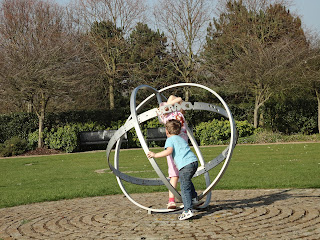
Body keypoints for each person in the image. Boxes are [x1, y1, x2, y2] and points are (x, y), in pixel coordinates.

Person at [147, 119, 199, 220]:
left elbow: (169, 151)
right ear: (179, 131)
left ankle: (187, 210)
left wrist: (155, 155)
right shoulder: (180, 138)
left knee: (184, 187)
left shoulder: (170, 140)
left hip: (185, 165)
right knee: (187, 182)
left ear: (166, 131)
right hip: (194, 162)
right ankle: (194, 198)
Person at [158, 95, 189, 209]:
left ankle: (191, 197)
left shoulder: (179, 114)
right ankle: (171, 200)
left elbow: (178, 100)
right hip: (174, 148)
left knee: (184, 174)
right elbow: (177, 99)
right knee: (174, 175)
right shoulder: (166, 116)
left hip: (183, 148)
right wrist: (173, 103)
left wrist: (174, 103)